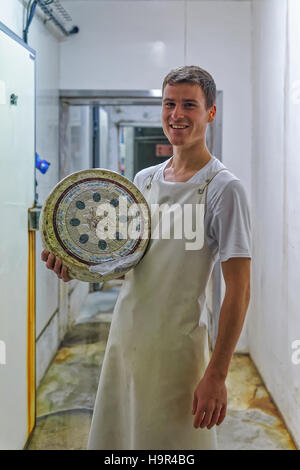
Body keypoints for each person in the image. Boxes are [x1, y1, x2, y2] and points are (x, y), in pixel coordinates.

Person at [41, 65, 251, 450]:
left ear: (211, 112)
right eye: (170, 104)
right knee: (121, 442)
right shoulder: (143, 182)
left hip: (178, 352)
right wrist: (78, 267)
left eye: (190, 104)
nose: (177, 114)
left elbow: (239, 290)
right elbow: (126, 263)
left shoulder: (223, 188)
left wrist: (217, 373)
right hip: (126, 338)